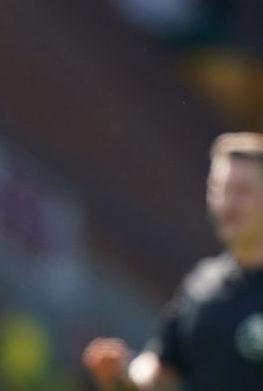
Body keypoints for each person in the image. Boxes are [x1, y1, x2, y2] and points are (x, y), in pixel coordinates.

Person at [83, 132, 263, 391]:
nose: (227, 202)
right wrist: (122, 376)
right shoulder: (203, 284)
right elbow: (160, 366)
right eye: (219, 188)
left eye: (242, 191)